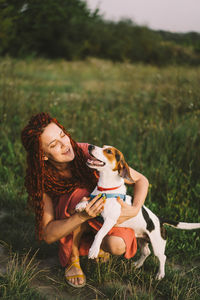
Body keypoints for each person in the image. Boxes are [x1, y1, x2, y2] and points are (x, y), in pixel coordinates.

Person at [21, 112, 149, 288]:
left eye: (62, 135)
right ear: (43, 155)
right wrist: (81, 217)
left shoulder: (85, 151)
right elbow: (48, 234)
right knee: (78, 195)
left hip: (102, 217)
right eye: (54, 145)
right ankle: (73, 257)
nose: (64, 144)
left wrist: (135, 208)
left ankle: (97, 241)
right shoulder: (43, 179)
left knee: (117, 245)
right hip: (71, 222)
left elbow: (141, 180)